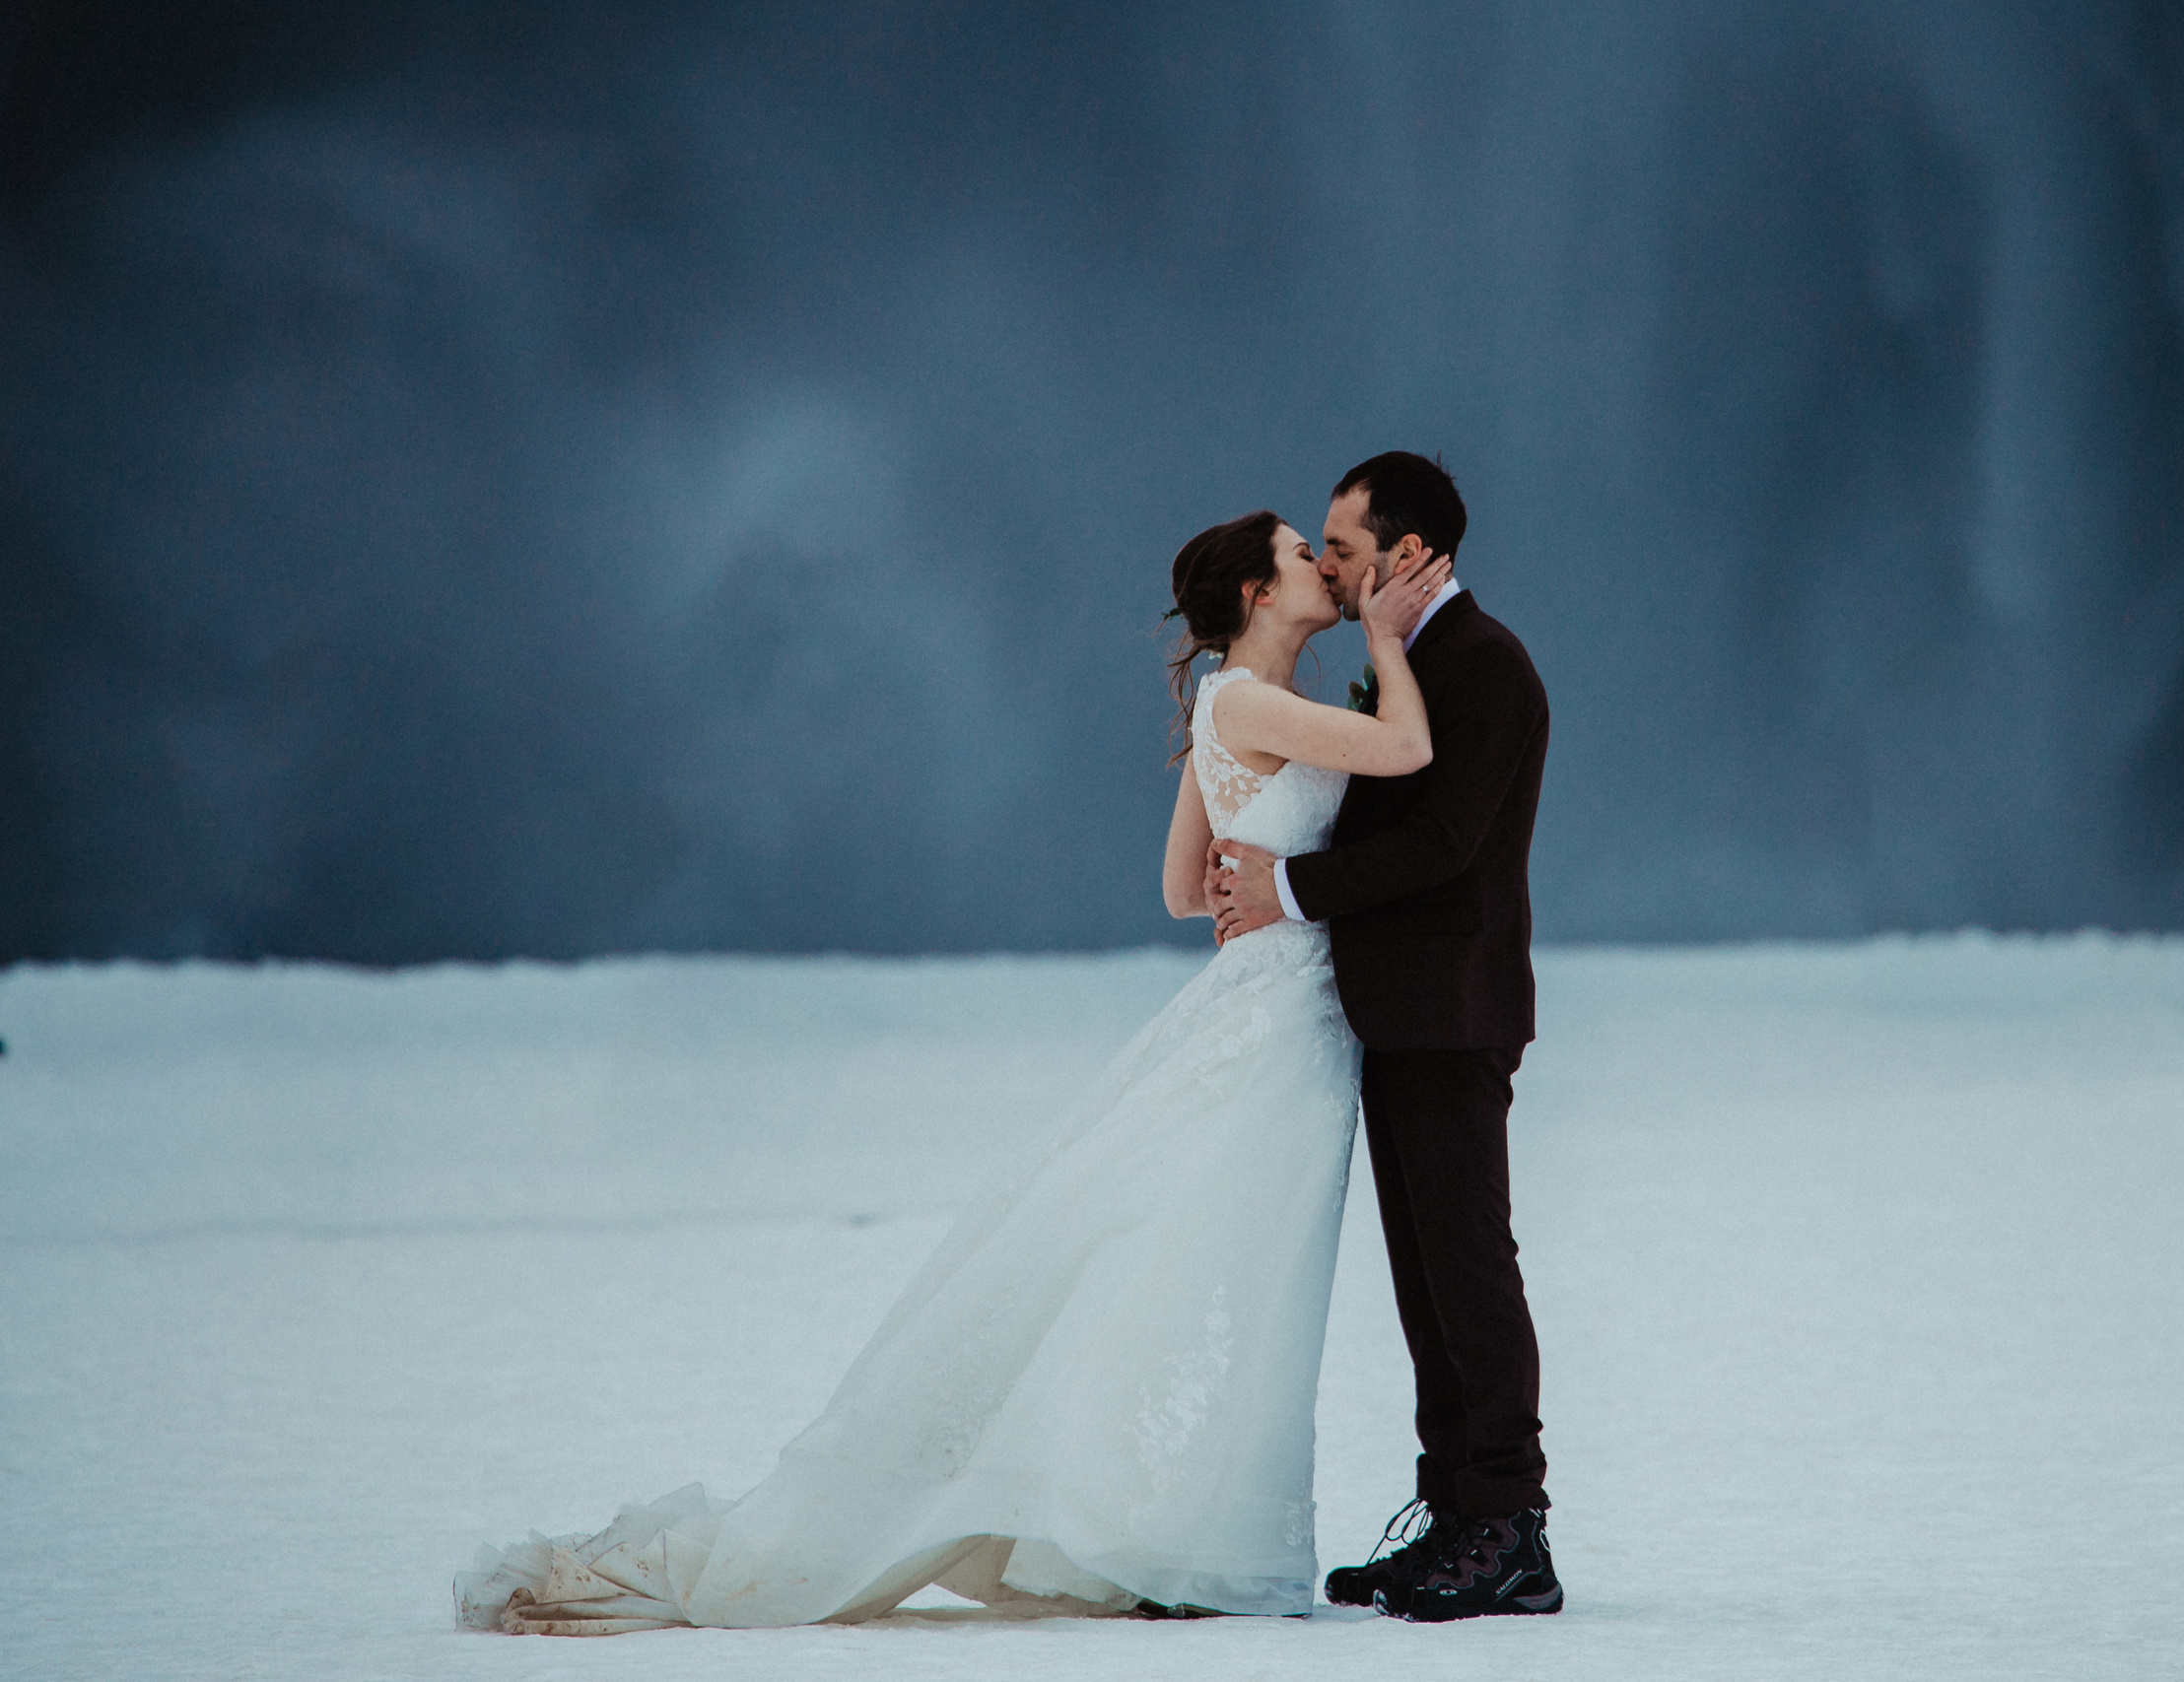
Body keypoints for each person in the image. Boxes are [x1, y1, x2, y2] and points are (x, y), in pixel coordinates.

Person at [455, 505, 1455, 1634]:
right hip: (1275, 1027)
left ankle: (1168, 1529)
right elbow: (1405, 753)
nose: (1322, 565)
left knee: (1204, 1263)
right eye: (1300, 555)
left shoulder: (1225, 703)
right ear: (1257, 594)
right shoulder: (1256, 703)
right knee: (1232, 1269)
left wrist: (1248, 879)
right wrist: (1387, 644)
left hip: (1264, 1013)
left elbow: (1183, 891)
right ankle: (1180, 1536)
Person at [1208, 451, 1558, 1622]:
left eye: (1345, 547)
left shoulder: (1485, 664)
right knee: (1425, 1279)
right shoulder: (1407, 656)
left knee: (1468, 1266)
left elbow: (1445, 842)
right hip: (1399, 1012)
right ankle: (1454, 1513)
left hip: (1454, 1011)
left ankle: (1511, 1527)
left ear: (1408, 554)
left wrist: (1286, 892)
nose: (1328, 564)